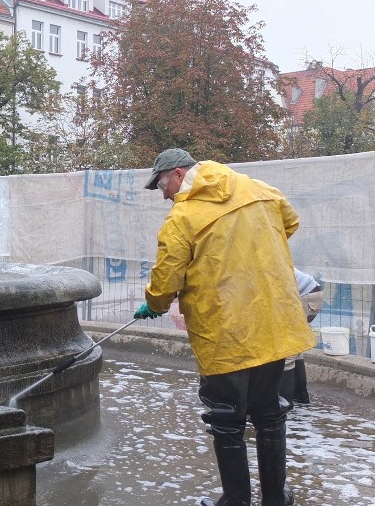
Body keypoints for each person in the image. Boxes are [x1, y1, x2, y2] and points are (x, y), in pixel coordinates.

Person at [133, 148, 315, 506]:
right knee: (269, 413)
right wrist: (249, 250)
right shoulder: (259, 189)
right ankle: (276, 498)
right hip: (271, 322)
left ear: (180, 173)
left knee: (227, 418)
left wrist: (154, 303)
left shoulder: (183, 217)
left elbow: (168, 278)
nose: (163, 193)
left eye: (162, 184)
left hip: (225, 331)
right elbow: (289, 222)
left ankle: (236, 501)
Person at [282, 268, 323, 406]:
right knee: (296, 348)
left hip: (305, 295)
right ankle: (300, 398)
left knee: (288, 350)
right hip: (312, 292)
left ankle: (284, 404)